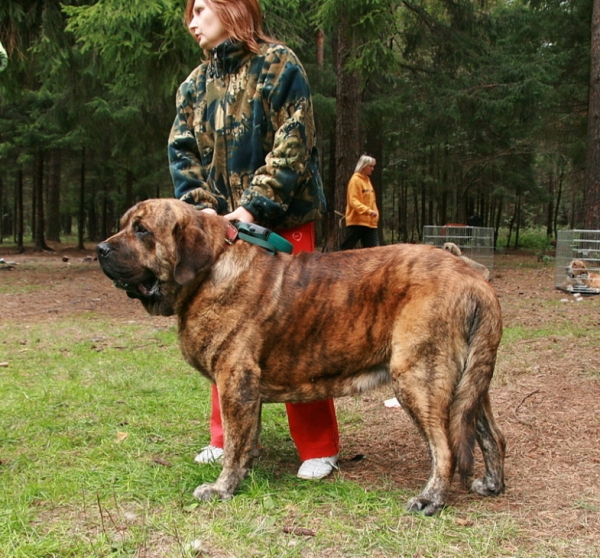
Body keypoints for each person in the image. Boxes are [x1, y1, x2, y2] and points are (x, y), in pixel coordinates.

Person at [168, 0, 340, 480]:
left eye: (202, 8)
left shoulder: (279, 64)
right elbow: (182, 152)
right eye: (190, 11)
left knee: (301, 326)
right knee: (220, 326)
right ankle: (226, 442)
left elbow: (294, 141)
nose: (192, 21)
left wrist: (252, 206)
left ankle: (318, 445)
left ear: (231, 8)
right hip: (215, 234)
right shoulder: (193, 86)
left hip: (281, 222)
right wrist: (204, 213)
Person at [340, 155, 380, 250]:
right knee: (345, 250)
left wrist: (376, 214)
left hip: (370, 223)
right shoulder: (355, 180)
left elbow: (372, 201)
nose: (372, 169)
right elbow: (353, 201)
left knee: (375, 251)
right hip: (357, 222)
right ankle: (335, 263)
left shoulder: (368, 181)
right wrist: (368, 211)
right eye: (370, 166)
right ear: (363, 166)